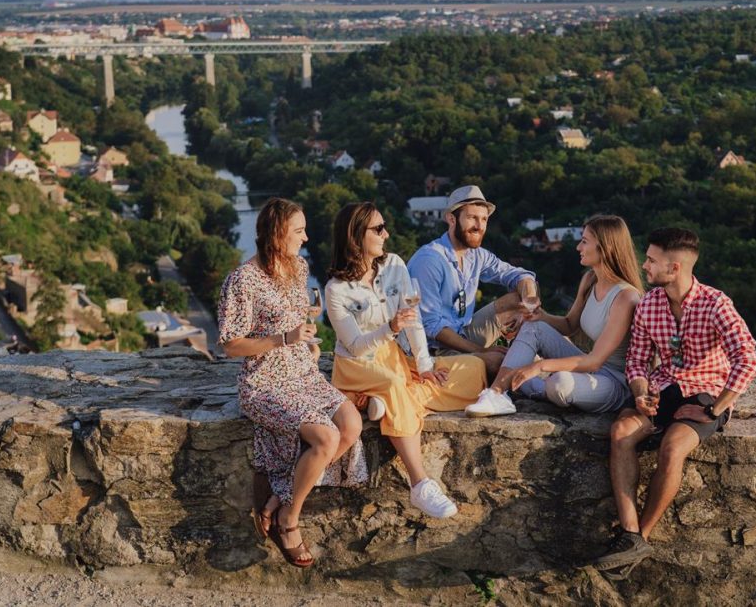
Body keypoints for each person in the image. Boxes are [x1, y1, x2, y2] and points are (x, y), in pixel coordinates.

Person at [595, 227, 756, 578]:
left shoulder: (715, 303)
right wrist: (640, 392)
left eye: (652, 261)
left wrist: (714, 408)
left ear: (674, 269)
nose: (644, 266)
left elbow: (747, 359)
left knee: (672, 448)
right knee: (622, 430)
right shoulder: (649, 305)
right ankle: (629, 534)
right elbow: (637, 361)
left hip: (706, 393)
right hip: (663, 389)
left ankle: (642, 535)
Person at [217, 198, 367, 568]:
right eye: (299, 230)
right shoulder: (242, 280)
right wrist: (283, 339)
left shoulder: (298, 268)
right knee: (326, 437)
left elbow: (295, 322)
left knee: (351, 425)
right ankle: (289, 517)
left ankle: (275, 498)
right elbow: (231, 345)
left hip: (302, 372)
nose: (306, 237)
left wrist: (305, 343)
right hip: (265, 381)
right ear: (277, 233)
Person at [325, 202, 487, 518]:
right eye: (378, 229)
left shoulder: (396, 265)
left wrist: (425, 366)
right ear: (356, 236)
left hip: (397, 359)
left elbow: (412, 321)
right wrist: (390, 327)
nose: (386, 234)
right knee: (393, 382)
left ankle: (382, 403)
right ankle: (420, 483)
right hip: (358, 365)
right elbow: (356, 347)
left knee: (474, 368)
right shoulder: (337, 289)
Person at [475, 215, 642, 417]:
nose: (578, 247)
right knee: (534, 328)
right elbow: (569, 325)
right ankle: (496, 394)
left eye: (585, 241)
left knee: (559, 383)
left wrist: (539, 366)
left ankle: (522, 384)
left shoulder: (626, 297)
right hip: (590, 369)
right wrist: (541, 316)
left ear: (605, 248)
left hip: (614, 382)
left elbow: (595, 361)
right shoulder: (590, 280)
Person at [407, 185, 537, 386]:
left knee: (517, 299)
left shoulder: (476, 255)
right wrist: (482, 352)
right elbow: (432, 327)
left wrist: (528, 304)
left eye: (484, 219)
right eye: (472, 218)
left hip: (463, 332)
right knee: (497, 363)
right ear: (452, 219)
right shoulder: (430, 260)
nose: (480, 226)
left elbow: (517, 274)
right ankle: (521, 379)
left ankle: (535, 355)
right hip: (436, 348)